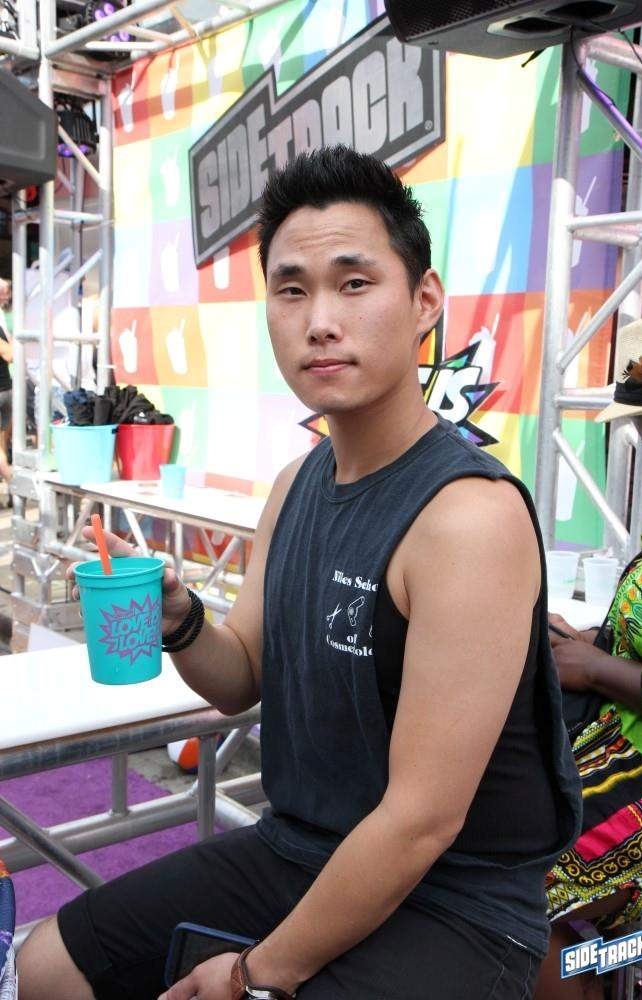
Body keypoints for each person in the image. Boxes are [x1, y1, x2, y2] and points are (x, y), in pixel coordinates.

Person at [17, 146, 581, 1000]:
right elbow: (240, 677)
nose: (320, 321)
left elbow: (422, 820)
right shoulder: (297, 484)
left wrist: (253, 975)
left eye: (354, 284)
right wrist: (180, 618)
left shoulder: (468, 517)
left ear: (424, 301)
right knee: (49, 966)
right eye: (291, 290)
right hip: (304, 849)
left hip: (456, 903)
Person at [535, 314, 642, 1000]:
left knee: (512, 896)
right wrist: (592, 640)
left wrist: (594, 670)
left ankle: (587, 966)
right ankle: (597, 966)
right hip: (618, 750)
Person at [0, 278, 13, 489]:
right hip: (6, 390)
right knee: (1, 447)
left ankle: (14, 483)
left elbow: (9, 353)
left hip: (3, 391)